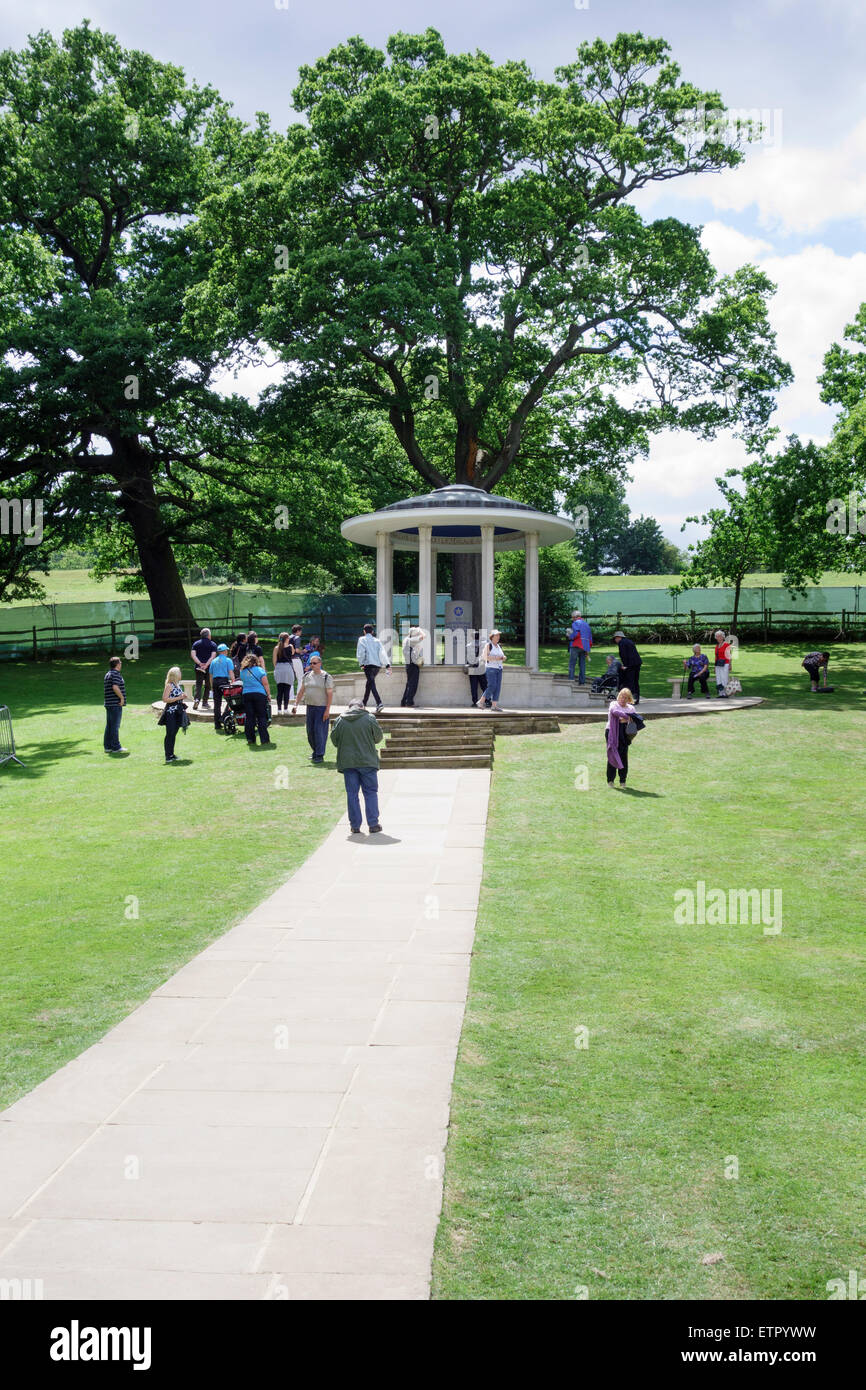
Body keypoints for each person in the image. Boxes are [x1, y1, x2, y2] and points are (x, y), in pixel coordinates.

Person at [329, 696, 384, 834]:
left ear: (349, 707)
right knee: (370, 792)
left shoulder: (340, 720)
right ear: (362, 707)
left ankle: (355, 825)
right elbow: (378, 738)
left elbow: (335, 741)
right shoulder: (370, 718)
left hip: (348, 763)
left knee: (352, 794)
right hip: (367, 762)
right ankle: (373, 824)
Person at [293, 652, 334, 763]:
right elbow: (302, 691)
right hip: (310, 708)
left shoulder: (326, 676)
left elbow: (330, 694)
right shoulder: (307, 676)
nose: (312, 665)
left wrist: (327, 710)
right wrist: (296, 704)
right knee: (310, 732)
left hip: (321, 708)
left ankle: (319, 755)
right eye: (311, 663)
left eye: (314, 663)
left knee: (319, 732)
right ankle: (315, 751)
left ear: (320, 663)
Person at [606, 687, 638, 787]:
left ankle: (622, 780)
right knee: (613, 754)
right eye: (621, 697)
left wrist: (627, 719)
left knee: (623, 756)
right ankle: (610, 780)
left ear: (629, 699)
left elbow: (636, 720)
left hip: (624, 734)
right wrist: (628, 717)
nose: (622, 699)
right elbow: (614, 711)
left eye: (625, 698)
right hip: (611, 732)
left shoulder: (631, 708)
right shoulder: (613, 704)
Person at [238, 652, 273, 746]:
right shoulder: (260, 670)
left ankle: (250, 738)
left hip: (246, 694)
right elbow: (265, 683)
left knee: (249, 717)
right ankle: (264, 739)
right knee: (261, 717)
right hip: (259, 694)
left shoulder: (242, 672)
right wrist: (268, 694)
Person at [356, 622, 391, 712]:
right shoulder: (377, 641)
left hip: (368, 665)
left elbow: (360, 652)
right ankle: (364, 703)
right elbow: (382, 653)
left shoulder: (362, 639)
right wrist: (387, 664)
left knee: (371, 684)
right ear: (372, 632)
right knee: (369, 684)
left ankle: (379, 703)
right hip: (377, 666)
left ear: (364, 631)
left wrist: (361, 663)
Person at [160, 667, 187, 763]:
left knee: (174, 733)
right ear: (175, 674)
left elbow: (177, 697)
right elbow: (165, 699)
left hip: (178, 712)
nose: (181, 674)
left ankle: (171, 754)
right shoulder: (169, 685)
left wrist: (182, 696)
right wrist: (179, 697)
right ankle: (168, 756)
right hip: (171, 712)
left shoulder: (177, 685)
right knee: (170, 733)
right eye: (179, 672)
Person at [103, 655, 127, 754]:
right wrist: (121, 698)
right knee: (115, 726)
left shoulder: (108, 674)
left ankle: (108, 746)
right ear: (117, 664)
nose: (121, 664)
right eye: (120, 662)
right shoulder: (116, 674)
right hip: (115, 704)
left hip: (109, 703)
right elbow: (115, 687)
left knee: (109, 725)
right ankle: (116, 747)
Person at [209, 643, 235, 730]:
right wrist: (233, 682)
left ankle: (217, 724)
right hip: (224, 681)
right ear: (224, 651)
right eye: (226, 650)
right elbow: (231, 672)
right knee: (231, 701)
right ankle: (223, 717)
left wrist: (212, 685)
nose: (227, 651)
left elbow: (211, 675)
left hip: (215, 682)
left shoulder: (213, 661)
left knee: (217, 704)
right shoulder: (228, 660)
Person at [190, 628, 217, 710]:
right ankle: (205, 702)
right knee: (208, 685)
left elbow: (193, 655)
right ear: (209, 635)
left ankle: (197, 699)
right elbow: (213, 656)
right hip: (209, 668)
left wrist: (200, 663)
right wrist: (206, 665)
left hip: (198, 667)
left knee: (198, 684)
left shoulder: (196, 644)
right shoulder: (213, 644)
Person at [479, 630, 506, 710]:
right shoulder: (488, 645)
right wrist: (497, 658)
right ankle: (481, 701)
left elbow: (502, 656)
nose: (498, 637)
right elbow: (485, 657)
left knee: (497, 687)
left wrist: (504, 657)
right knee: (492, 686)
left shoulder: (499, 646)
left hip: (499, 669)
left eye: (499, 635)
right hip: (491, 669)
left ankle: (494, 705)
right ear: (492, 637)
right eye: (496, 635)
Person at [614, 631, 642, 705]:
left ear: (619, 637)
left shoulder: (621, 643)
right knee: (636, 681)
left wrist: (625, 665)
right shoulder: (629, 641)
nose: (615, 640)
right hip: (637, 663)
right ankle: (637, 699)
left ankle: (631, 700)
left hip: (630, 665)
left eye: (615, 638)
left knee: (630, 681)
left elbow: (624, 655)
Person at [401, 626, 425, 707]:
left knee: (409, 684)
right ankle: (409, 702)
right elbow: (424, 636)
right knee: (413, 684)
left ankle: (404, 701)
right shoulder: (411, 640)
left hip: (408, 664)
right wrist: (420, 629)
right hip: (413, 665)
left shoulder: (406, 640)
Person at [568, 609, 593, 684]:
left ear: (575, 617)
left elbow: (576, 634)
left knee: (572, 664)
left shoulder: (575, 623)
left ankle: (571, 681)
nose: (572, 619)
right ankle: (582, 682)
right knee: (582, 665)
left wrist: (570, 636)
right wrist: (588, 649)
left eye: (572, 618)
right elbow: (590, 638)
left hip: (576, 645)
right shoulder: (587, 624)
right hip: (584, 647)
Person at [466, 629, 488, 708]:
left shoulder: (468, 645)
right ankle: (487, 701)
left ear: (472, 637)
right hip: (481, 666)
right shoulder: (484, 645)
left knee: (473, 685)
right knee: (484, 685)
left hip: (472, 667)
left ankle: (475, 702)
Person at [272, 632, 294, 712]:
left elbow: (274, 660)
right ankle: (285, 708)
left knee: (280, 690)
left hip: (279, 669)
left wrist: (277, 668)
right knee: (287, 690)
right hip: (288, 669)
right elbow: (293, 653)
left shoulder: (276, 648)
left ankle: (279, 709)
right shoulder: (290, 646)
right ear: (286, 639)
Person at [713, 630, 733, 698]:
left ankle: (725, 693)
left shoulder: (726, 645)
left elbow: (729, 655)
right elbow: (716, 657)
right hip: (718, 664)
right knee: (719, 678)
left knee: (724, 678)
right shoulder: (717, 646)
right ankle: (720, 693)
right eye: (717, 636)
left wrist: (730, 664)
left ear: (723, 637)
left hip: (725, 663)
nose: (718, 638)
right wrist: (714, 666)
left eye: (719, 636)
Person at [288, 625, 305, 700]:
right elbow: (297, 650)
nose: (301, 633)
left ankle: (290, 697)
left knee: (291, 679)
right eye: (301, 631)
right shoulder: (297, 638)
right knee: (300, 678)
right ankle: (299, 696)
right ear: (298, 631)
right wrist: (303, 651)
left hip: (288, 660)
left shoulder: (288, 637)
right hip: (296, 659)